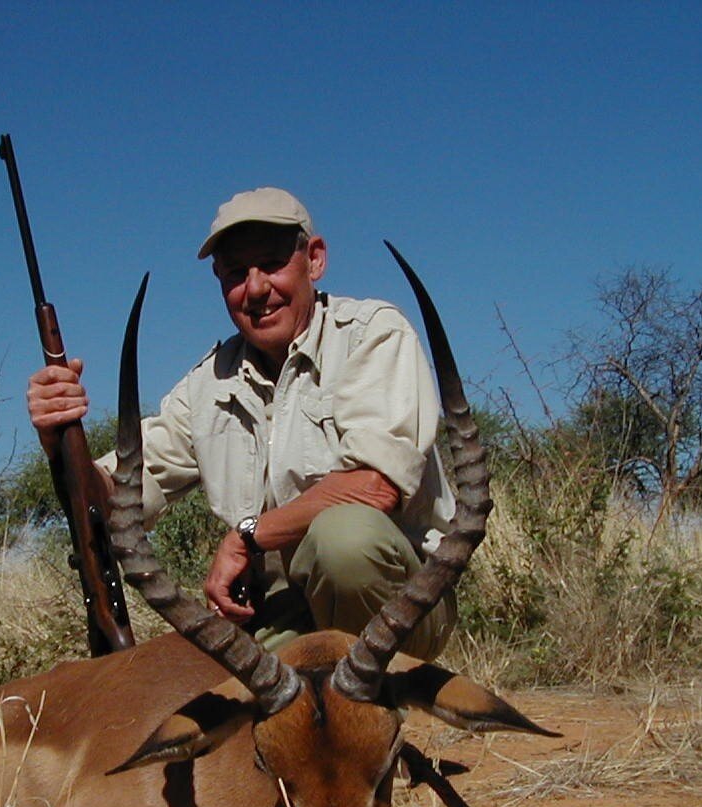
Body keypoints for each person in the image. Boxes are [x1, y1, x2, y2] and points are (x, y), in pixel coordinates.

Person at [27, 187, 457, 658]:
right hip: (281, 613)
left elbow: (376, 488)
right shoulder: (208, 382)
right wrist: (62, 443)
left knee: (344, 540)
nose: (254, 289)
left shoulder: (371, 333)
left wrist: (247, 535)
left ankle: (371, 716)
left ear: (313, 260)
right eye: (236, 273)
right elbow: (113, 500)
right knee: (181, 682)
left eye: (271, 263)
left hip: (399, 607)